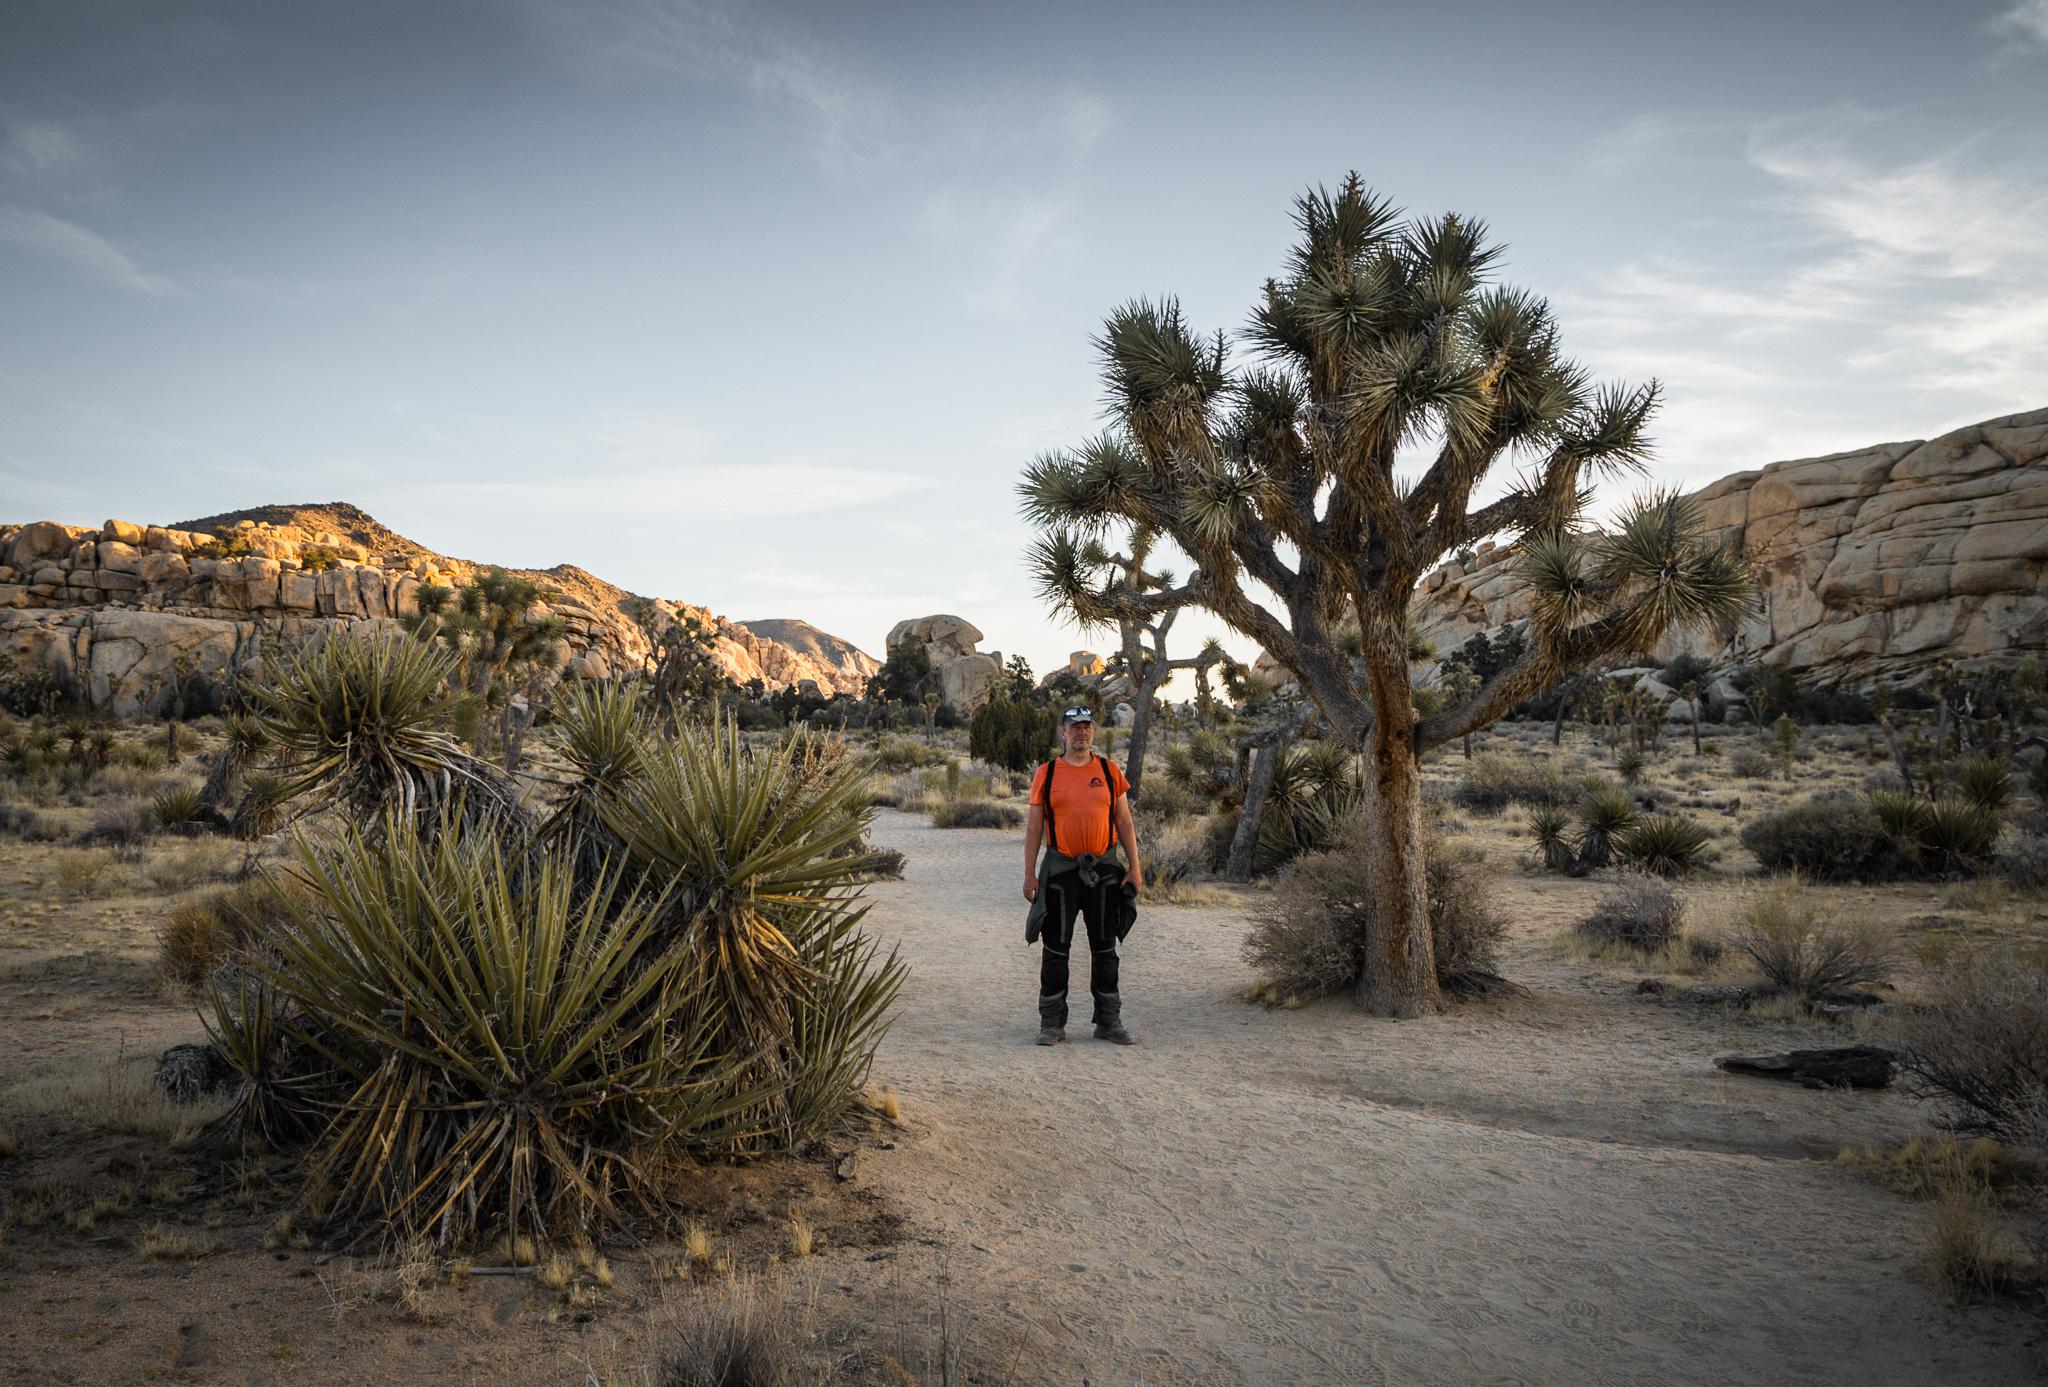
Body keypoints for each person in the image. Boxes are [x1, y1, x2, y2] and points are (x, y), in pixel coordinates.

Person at [1022, 705, 1144, 1046]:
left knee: (1105, 948)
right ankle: (1052, 1022)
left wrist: (1135, 866)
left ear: (1093, 732)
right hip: (1061, 870)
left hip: (1104, 870)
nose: (1081, 733)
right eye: (1074, 727)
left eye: (1086, 727)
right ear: (1063, 732)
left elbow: (1124, 821)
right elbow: (1034, 827)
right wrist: (1030, 874)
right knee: (1056, 948)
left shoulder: (1108, 771)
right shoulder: (1046, 774)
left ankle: (1108, 1021)